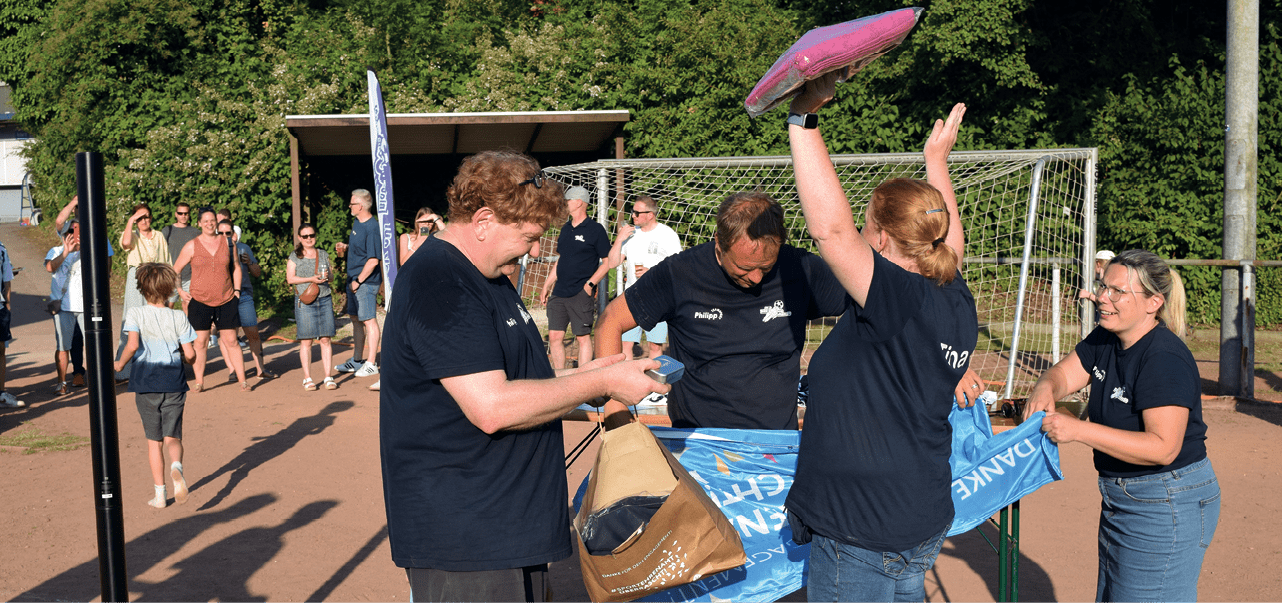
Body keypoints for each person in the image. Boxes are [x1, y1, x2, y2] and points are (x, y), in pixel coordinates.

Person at [380, 151, 664, 602]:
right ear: (483, 221)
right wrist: (599, 385)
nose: (533, 251)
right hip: (467, 540)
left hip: (504, 529)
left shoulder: (488, 275)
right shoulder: (440, 280)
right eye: (529, 237)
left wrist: (589, 374)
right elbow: (491, 406)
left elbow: (516, 378)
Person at [783, 74, 976, 601]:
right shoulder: (952, 289)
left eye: (867, 226)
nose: (861, 235)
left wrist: (803, 118)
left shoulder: (897, 298)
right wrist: (936, 160)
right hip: (916, 516)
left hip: (863, 531)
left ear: (884, 238)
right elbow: (948, 238)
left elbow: (830, 230)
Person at [1024, 250, 1218, 602]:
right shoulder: (1106, 337)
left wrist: (1078, 430)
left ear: (1153, 303)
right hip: (1123, 495)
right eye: (1103, 287)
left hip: (1165, 500)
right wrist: (1045, 388)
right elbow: (1063, 374)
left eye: (1117, 291)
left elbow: (1163, 448)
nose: (1102, 298)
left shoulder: (1163, 358)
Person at [595, 192, 848, 430]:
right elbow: (609, 321)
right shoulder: (680, 273)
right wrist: (615, 412)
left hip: (776, 444)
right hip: (699, 443)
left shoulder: (801, 269)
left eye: (766, 267)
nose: (757, 278)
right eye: (744, 268)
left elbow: (863, 304)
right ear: (719, 243)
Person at [113, 263, 197, 508]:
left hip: (146, 381)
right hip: (174, 381)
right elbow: (190, 354)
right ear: (169, 289)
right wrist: (188, 359)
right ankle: (177, 466)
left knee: (154, 441)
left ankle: (160, 495)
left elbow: (132, 345)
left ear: (142, 289)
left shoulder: (136, 314)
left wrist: (119, 364)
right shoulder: (178, 316)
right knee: (173, 435)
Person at [172, 207, 246, 392]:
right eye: (205, 221)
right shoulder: (191, 245)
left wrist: (237, 290)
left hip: (226, 299)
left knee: (231, 341)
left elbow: (237, 267)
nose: (209, 224)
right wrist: (180, 290)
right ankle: (199, 382)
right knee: (200, 343)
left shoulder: (228, 243)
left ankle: (243, 381)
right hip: (200, 301)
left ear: (217, 222)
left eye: (212, 220)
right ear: (199, 223)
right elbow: (175, 270)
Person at [538, 186, 611, 369]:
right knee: (555, 337)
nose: (565, 204)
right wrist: (547, 284)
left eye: (567, 201)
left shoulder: (595, 229)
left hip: (580, 293)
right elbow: (561, 260)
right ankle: (560, 378)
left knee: (582, 337)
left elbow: (608, 262)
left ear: (579, 202)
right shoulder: (566, 229)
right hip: (559, 292)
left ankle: (583, 378)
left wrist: (589, 285)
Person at [604, 195, 683, 359]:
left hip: (657, 299)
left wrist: (652, 273)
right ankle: (628, 376)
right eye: (632, 212)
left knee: (654, 346)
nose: (633, 215)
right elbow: (612, 263)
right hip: (632, 298)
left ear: (650, 215)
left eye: (637, 213)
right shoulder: (631, 234)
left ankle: (653, 375)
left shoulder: (667, 235)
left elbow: (678, 268)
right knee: (626, 344)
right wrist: (619, 239)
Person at [116, 203, 171, 379]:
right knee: (132, 321)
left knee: (155, 322)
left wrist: (169, 288)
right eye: (139, 218)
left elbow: (167, 261)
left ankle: (154, 368)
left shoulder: (159, 236)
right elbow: (126, 243)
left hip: (156, 278)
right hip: (137, 277)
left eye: (146, 216)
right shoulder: (132, 234)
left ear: (151, 217)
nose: (144, 220)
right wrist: (131, 220)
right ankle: (125, 370)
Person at [333, 189, 382, 380]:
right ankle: (357, 360)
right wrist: (346, 247)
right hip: (353, 279)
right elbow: (362, 250)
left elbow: (373, 260)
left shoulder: (372, 227)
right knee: (355, 319)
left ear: (360, 206)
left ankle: (371, 364)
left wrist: (359, 281)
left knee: (369, 320)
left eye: (352, 203)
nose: (349, 206)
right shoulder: (357, 223)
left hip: (365, 282)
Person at [222, 221, 277, 380]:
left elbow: (257, 273)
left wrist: (249, 262)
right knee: (229, 336)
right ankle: (233, 370)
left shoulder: (244, 248)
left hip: (244, 294)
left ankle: (261, 369)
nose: (225, 236)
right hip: (224, 296)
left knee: (252, 332)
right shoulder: (212, 249)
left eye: (228, 233)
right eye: (221, 233)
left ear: (233, 234)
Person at [287, 223, 337, 391]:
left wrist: (327, 276)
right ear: (300, 238)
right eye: (305, 236)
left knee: (325, 339)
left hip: (324, 299)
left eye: (312, 235)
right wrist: (311, 279)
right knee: (306, 340)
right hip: (305, 301)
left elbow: (331, 277)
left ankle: (328, 376)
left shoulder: (323, 254)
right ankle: (307, 378)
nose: (309, 239)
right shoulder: (295, 256)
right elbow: (290, 279)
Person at [162, 202, 201, 312]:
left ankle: (187, 323)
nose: (183, 216)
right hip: (171, 275)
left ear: (189, 214)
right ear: (176, 214)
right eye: (180, 213)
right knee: (168, 306)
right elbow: (160, 251)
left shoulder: (196, 232)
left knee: (188, 305)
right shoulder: (167, 230)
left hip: (190, 276)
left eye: (186, 213)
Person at [0, 239, 23, 408]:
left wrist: (7, 304)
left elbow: (7, 278)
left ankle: (1, 393)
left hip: (0, 307)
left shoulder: (1, 249)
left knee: (1, 349)